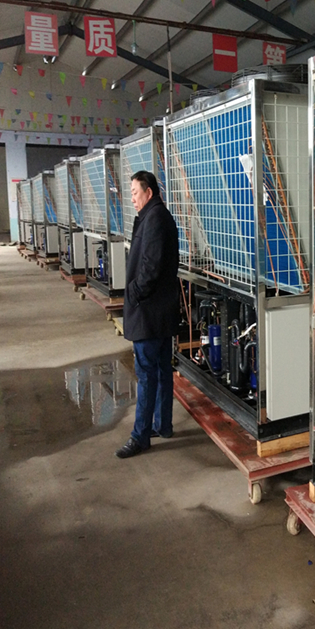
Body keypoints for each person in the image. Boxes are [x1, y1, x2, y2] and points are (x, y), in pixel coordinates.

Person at [116, 170, 179, 459]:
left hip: (149, 312)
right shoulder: (158, 216)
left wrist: (134, 294)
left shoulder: (154, 219)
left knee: (146, 374)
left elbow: (150, 267)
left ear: (149, 192)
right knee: (162, 370)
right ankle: (162, 425)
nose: (132, 198)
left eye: (135, 192)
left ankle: (140, 436)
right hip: (161, 311)